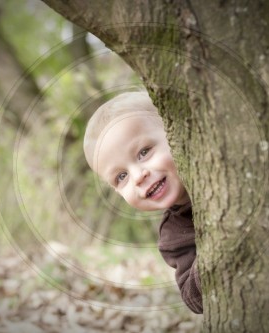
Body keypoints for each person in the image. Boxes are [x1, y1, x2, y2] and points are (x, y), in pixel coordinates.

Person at [83, 91, 203, 314]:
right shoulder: (173, 235)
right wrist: (213, 252)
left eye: (144, 152)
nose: (138, 176)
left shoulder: (224, 169)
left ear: (174, 133)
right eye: (121, 177)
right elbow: (195, 299)